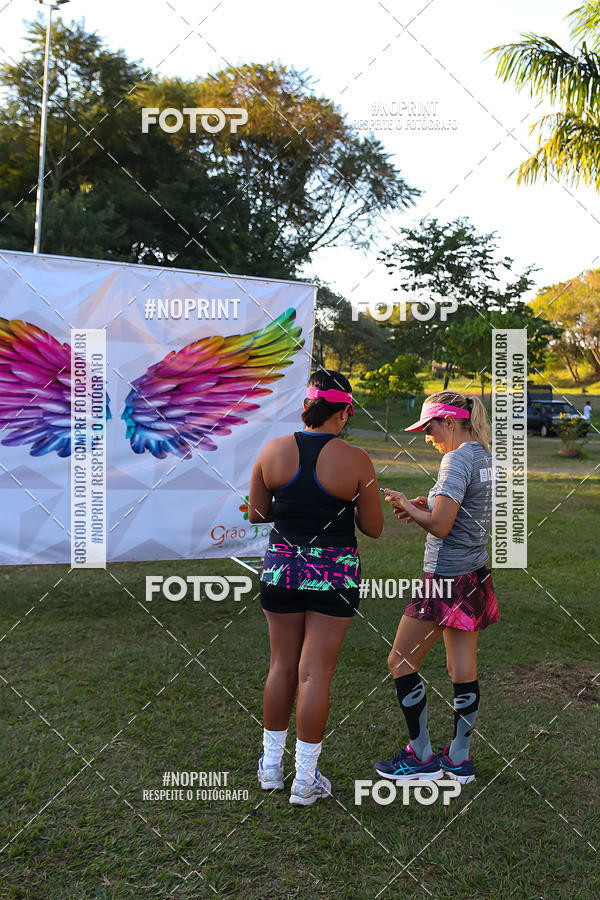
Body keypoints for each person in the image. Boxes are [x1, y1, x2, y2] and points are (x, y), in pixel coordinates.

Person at [248, 370, 383, 806]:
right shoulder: (357, 460)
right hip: (333, 575)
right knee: (314, 672)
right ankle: (305, 780)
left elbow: (256, 513)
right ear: (344, 412)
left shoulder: (271, 451)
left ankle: (271, 768)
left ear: (306, 409)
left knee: (281, 665)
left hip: (280, 571)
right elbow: (374, 527)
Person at [375, 391, 498, 785]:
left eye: (429, 428)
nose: (427, 437)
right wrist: (426, 503)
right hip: (474, 574)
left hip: (445, 580)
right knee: (461, 669)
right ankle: (458, 759)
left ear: (448, 421)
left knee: (400, 661)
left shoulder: (456, 458)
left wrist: (409, 507)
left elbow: (443, 526)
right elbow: (460, 512)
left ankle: (421, 757)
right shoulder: (485, 455)